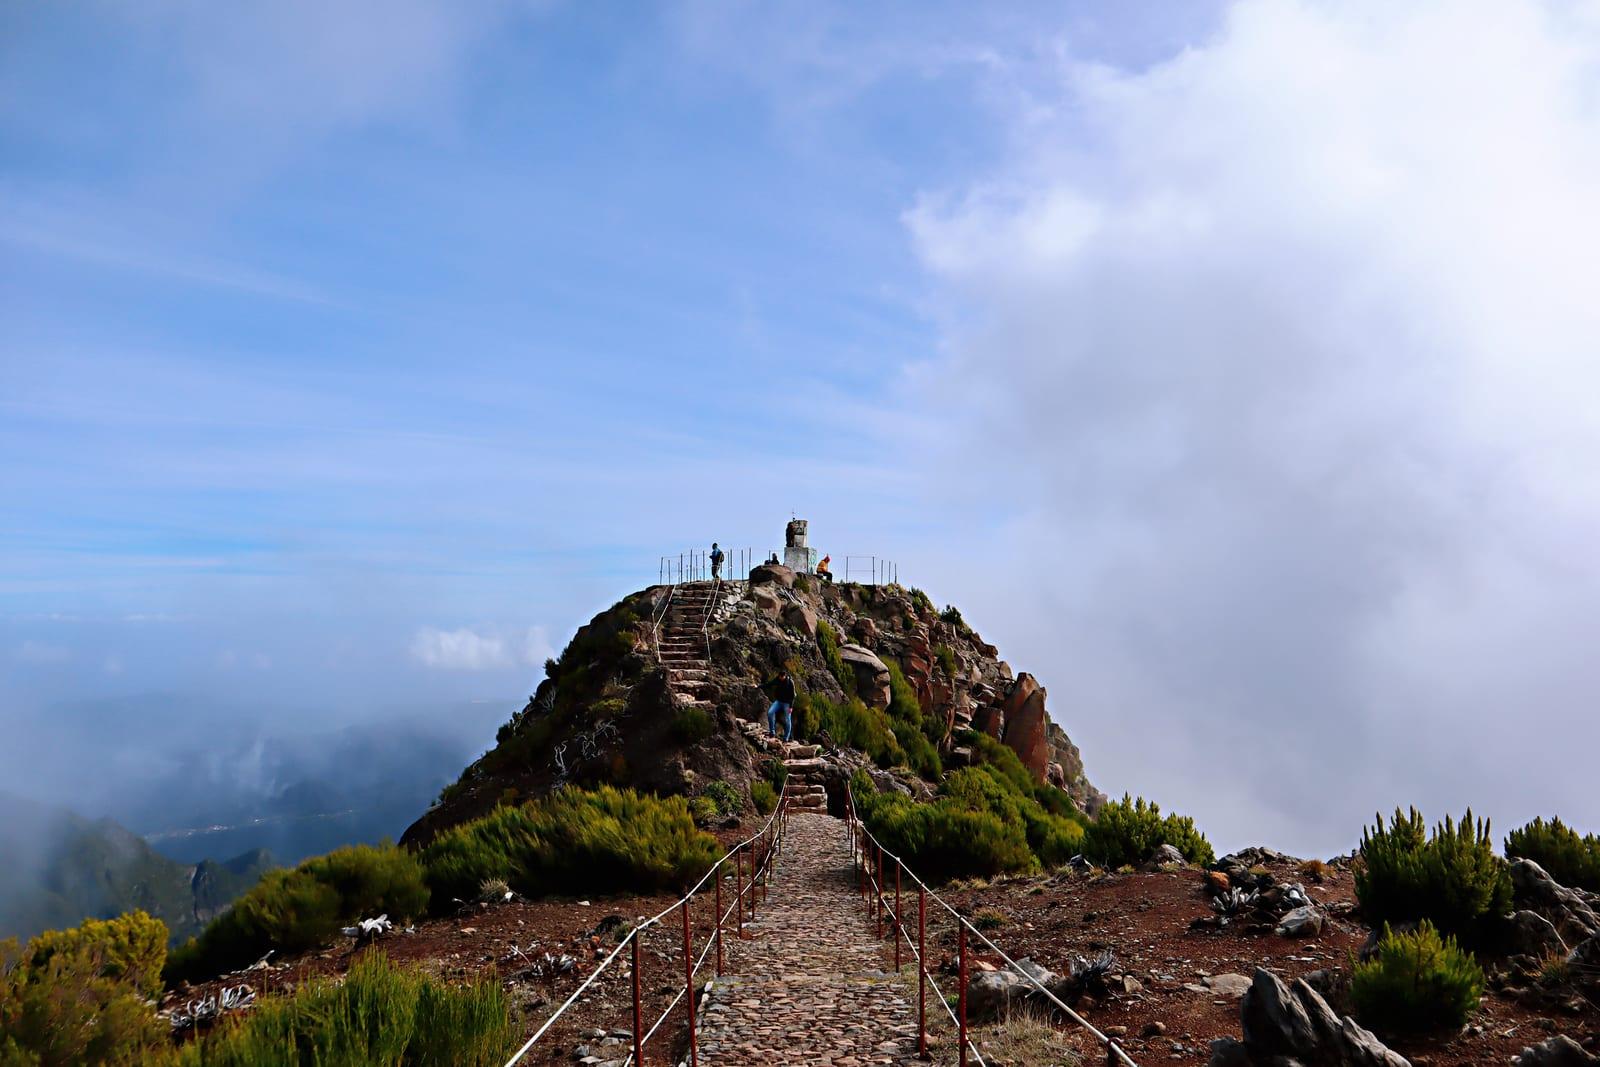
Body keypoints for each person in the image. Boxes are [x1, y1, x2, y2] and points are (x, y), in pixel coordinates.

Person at [767, 668, 796, 740]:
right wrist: (758, 686)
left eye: (782, 677)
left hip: (787, 703)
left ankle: (786, 738)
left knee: (787, 720)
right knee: (770, 713)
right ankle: (772, 732)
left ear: (785, 676)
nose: (780, 678)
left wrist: (791, 707)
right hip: (779, 701)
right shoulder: (777, 679)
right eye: (780, 677)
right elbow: (770, 684)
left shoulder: (790, 682)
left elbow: (793, 696)